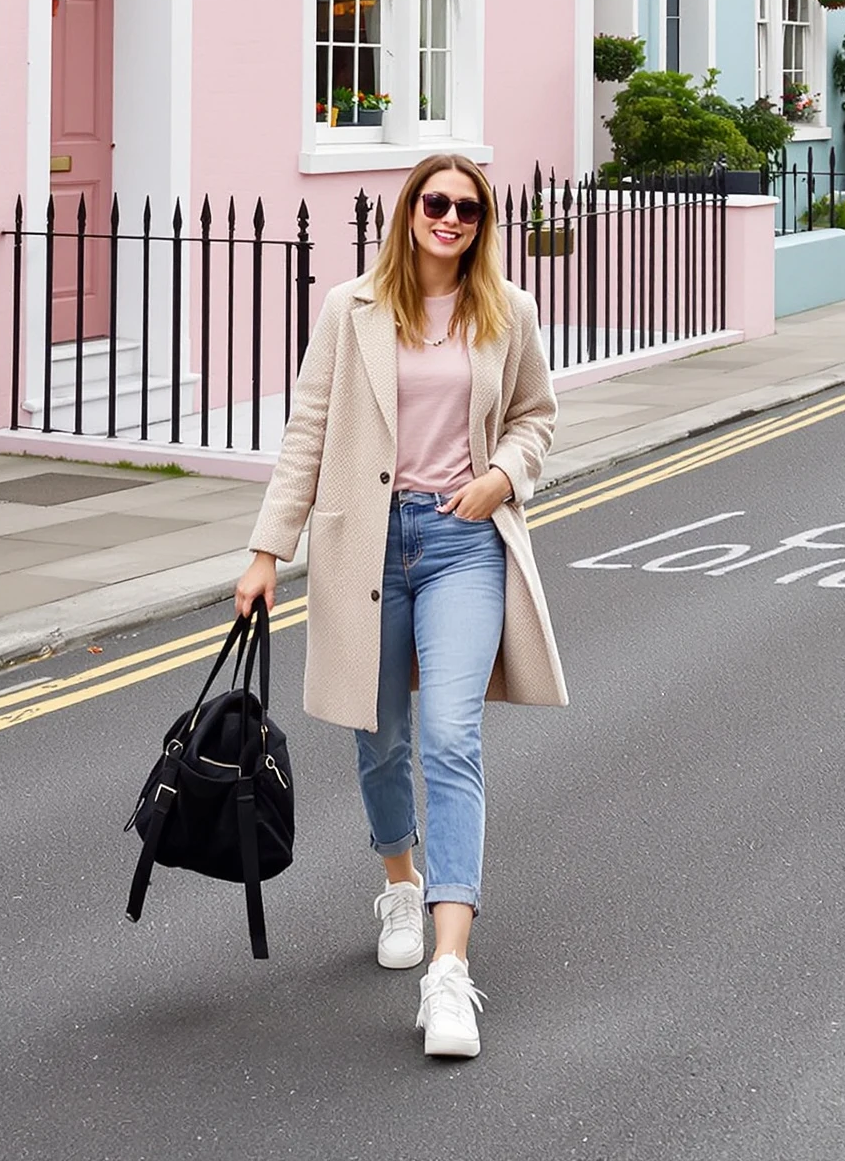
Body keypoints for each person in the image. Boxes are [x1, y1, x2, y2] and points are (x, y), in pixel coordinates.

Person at [234, 152, 567, 1059]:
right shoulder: (351, 311)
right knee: (378, 736)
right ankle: (400, 881)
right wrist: (268, 550)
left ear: (481, 223)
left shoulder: (507, 313)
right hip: (367, 545)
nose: (450, 219)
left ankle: (450, 974)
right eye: (436, 203)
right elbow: (309, 431)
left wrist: (503, 476)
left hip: (463, 542)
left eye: (466, 208)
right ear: (410, 211)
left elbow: (536, 415)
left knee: (452, 737)